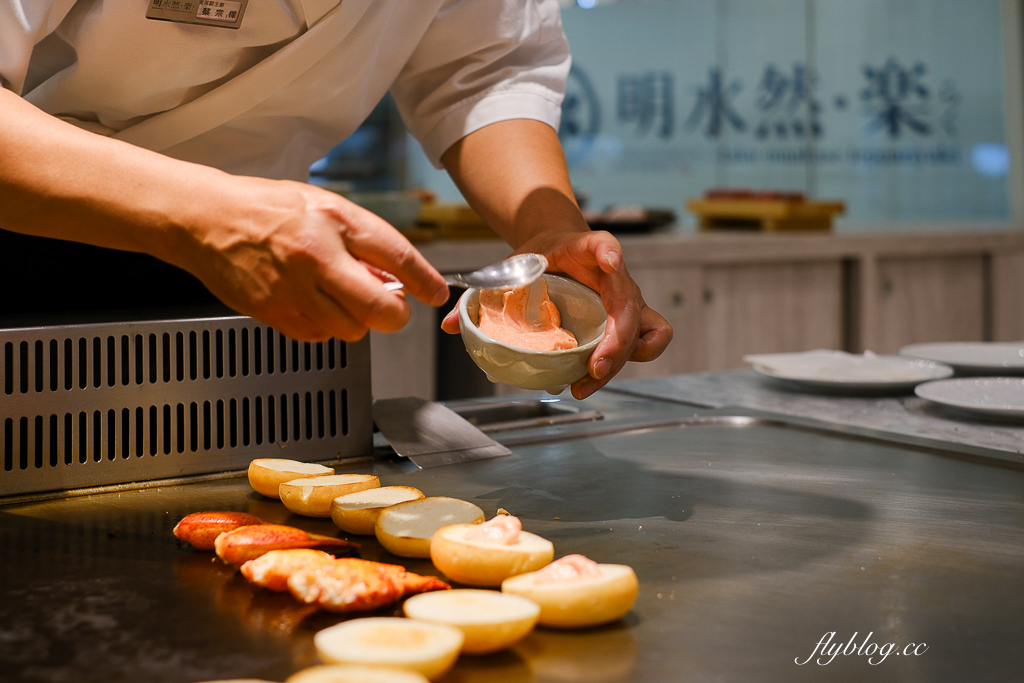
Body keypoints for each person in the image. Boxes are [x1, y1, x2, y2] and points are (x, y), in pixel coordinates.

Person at [0, 0, 672, 400]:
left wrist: (548, 226)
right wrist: (206, 215)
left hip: (261, 275)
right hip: (32, 215)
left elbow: (484, 70)